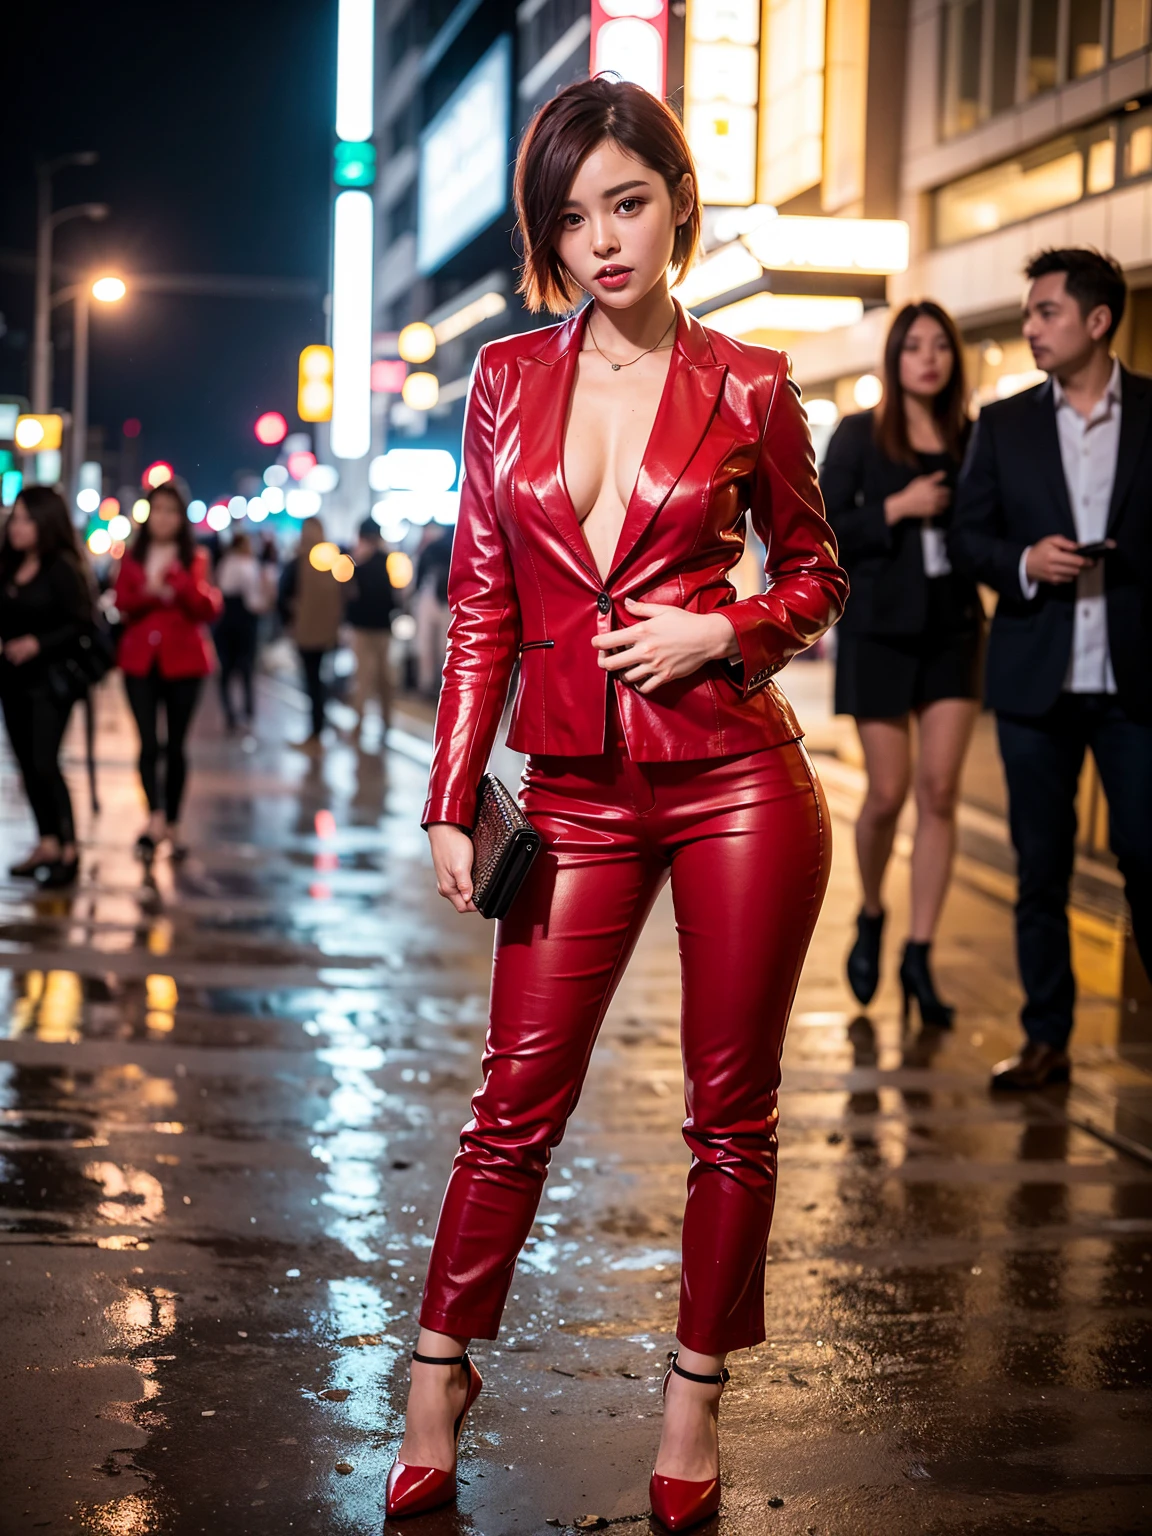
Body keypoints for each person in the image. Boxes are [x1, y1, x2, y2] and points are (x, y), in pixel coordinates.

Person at [386, 77, 848, 1531]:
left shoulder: (754, 381)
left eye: (627, 203)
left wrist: (729, 632)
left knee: (732, 1116)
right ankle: (437, 1374)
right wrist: (453, 798)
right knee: (511, 1106)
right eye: (571, 216)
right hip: (573, 791)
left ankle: (694, 1394)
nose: (601, 239)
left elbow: (818, 573)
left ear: (676, 203)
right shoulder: (505, 380)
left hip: (736, 779)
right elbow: (479, 604)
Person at [952, 248, 1152, 1090]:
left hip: (1136, 681)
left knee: (1146, 856)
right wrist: (1026, 559)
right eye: (1030, 314)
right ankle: (1047, 1039)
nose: (1030, 328)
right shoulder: (1003, 425)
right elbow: (969, 538)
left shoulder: (1150, 413)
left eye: (1046, 313)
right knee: (1042, 866)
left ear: (1098, 321)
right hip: (1037, 679)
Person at [820, 302, 983, 1025]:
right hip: (880, 632)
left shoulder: (973, 437)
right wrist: (899, 506)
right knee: (887, 794)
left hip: (952, 628)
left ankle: (919, 952)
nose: (928, 358)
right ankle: (874, 911)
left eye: (939, 347)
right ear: (895, 359)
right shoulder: (860, 435)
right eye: (914, 346)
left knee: (940, 791)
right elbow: (821, 529)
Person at [116, 481, 222, 859]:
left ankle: (174, 823)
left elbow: (208, 608)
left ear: (181, 518)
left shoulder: (195, 558)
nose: (163, 517)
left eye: (170, 511)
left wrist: (178, 585)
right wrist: (150, 593)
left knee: (176, 745)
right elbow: (122, 601)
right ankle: (155, 817)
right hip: (139, 661)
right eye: (157, 509)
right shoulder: (133, 555)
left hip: (184, 662)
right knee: (147, 742)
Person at [0, 487, 92, 887]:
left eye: (25, 519)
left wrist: (38, 642)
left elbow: (82, 624)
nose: (16, 527)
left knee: (44, 761)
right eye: (14, 518)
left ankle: (69, 848)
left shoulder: (61, 568)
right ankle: (48, 842)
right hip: (12, 679)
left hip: (50, 681)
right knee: (26, 764)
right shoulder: (9, 565)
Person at [278, 516, 345, 748]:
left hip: (305, 633)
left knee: (312, 682)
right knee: (319, 681)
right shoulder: (332, 560)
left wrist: (289, 621)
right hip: (326, 632)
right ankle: (321, 726)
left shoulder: (299, 562)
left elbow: (282, 595)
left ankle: (317, 731)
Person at [345, 518, 397, 740]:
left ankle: (358, 726)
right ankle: (386, 722)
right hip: (383, 627)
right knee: (384, 677)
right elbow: (395, 597)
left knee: (364, 678)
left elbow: (351, 597)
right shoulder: (389, 561)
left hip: (364, 629)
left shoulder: (358, 563)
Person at [213, 531, 265, 733]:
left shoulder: (226, 563)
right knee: (245, 668)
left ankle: (231, 713)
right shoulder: (246, 565)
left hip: (226, 620)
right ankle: (247, 711)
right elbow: (254, 600)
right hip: (243, 622)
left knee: (227, 671)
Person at [413, 524, 453, 696]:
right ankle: (440, 685)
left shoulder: (429, 549)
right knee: (444, 647)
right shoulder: (452, 545)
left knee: (429, 646)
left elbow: (417, 581)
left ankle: (428, 685)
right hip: (449, 601)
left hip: (435, 600)